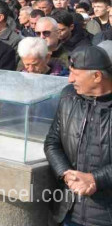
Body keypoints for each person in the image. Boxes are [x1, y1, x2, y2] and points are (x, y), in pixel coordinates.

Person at [44, 46, 112, 225]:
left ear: (97, 76)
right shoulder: (69, 97)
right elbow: (52, 142)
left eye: (75, 73)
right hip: (69, 211)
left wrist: (96, 179)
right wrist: (66, 174)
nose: (70, 78)